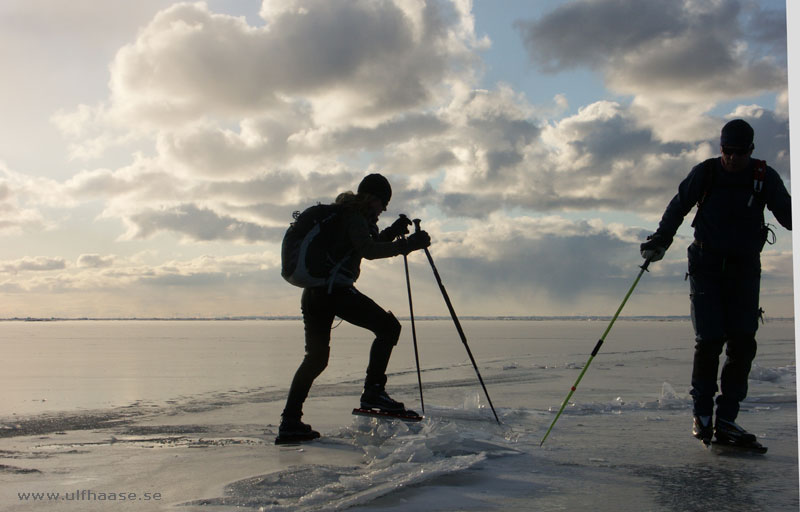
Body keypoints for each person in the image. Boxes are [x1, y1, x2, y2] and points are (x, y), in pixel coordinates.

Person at [640, 119, 791, 447]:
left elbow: (789, 216)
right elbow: (678, 207)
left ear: (751, 150)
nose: (732, 158)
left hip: (745, 268)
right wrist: (660, 241)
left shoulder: (763, 177)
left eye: (740, 152)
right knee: (709, 340)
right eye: (727, 151)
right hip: (706, 264)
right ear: (720, 148)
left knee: (742, 342)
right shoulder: (706, 172)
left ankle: (726, 420)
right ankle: (702, 414)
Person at [278, 173, 431, 441]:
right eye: (383, 204)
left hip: (314, 293)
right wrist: (407, 245)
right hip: (335, 292)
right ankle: (374, 391)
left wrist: (393, 233)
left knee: (315, 359)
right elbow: (368, 249)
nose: (383, 209)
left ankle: (290, 422)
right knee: (388, 327)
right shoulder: (353, 216)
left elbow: (358, 246)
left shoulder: (344, 214)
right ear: (372, 198)